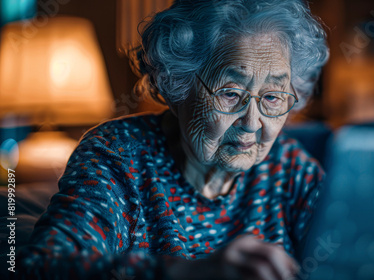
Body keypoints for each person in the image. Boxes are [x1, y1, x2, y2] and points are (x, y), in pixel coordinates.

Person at [16, 0, 329, 279]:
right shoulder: (119, 155)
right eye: (230, 93)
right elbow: (45, 265)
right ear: (177, 87)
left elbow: (353, 251)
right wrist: (188, 271)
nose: (252, 123)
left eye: (273, 97)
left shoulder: (289, 165)